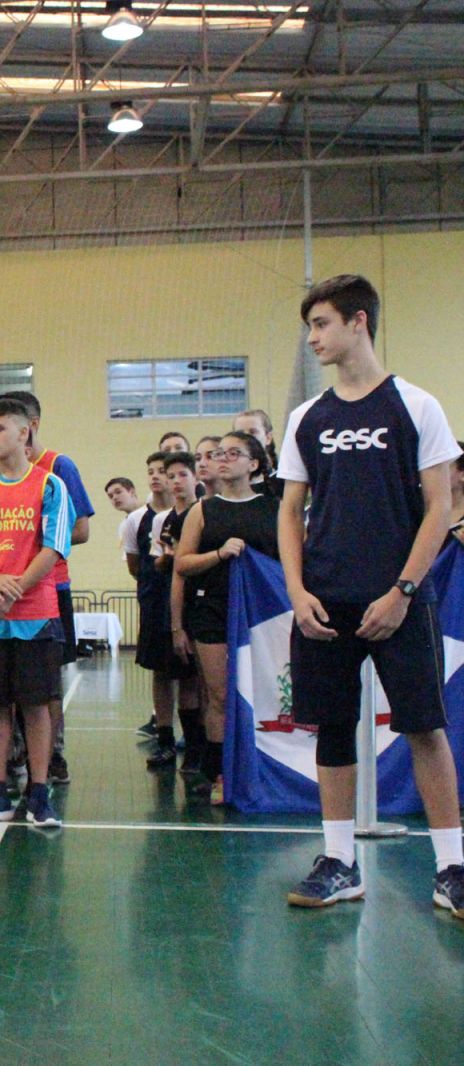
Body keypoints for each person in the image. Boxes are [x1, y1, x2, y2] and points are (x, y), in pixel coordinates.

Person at [275, 274, 462, 916]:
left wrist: (403, 590)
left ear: (358, 322)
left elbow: (440, 507)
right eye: (309, 326)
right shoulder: (307, 418)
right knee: (332, 727)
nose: (312, 338)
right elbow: (290, 510)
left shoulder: (416, 406)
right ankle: (339, 861)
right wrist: (297, 590)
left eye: (321, 324)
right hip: (326, 603)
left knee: (425, 727)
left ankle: (451, 868)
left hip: (400, 601)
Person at [0, 398, 74, 827]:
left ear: (24, 432)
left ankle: (39, 792)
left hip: (35, 613)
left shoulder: (50, 486)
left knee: (36, 704)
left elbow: (54, 545)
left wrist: (17, 589)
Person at [174, 432, 279, 805]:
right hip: (213, 611)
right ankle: (218, 770)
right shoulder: (203, 510)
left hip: (263, 615)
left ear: (254, 464)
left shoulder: (275, 507)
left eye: (234, 453)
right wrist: (219, 554)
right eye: (220, 453)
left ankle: (264, 767)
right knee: (219, 694)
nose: (223, 459)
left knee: (264, 692)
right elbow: (183, 563)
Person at [0, 390, 93, 786]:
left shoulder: (57, 467)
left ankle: (53, 755)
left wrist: (31, 547)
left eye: (4, 425)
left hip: (49, 589)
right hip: (2, 589)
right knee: (3, 679)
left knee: (46, 682)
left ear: (29, 426)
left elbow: (81, 529)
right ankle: (11, 752)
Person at [154, 452, 206, 774]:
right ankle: (193, 750)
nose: (175, 481)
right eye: (170, 476)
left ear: (196, 477)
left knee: (205, 684)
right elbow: (164, 563)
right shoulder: (168, 520)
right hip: (176, 604)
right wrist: (167, 559)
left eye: (182, 475)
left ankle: (207, 751)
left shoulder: (203, 513)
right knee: (184, 678)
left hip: (202, 604)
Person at [233, 409, 282, 497]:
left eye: (253, 432)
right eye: (240, 433)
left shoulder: (283, 480)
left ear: (268, 438)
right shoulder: (227, 482)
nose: (246, 437)